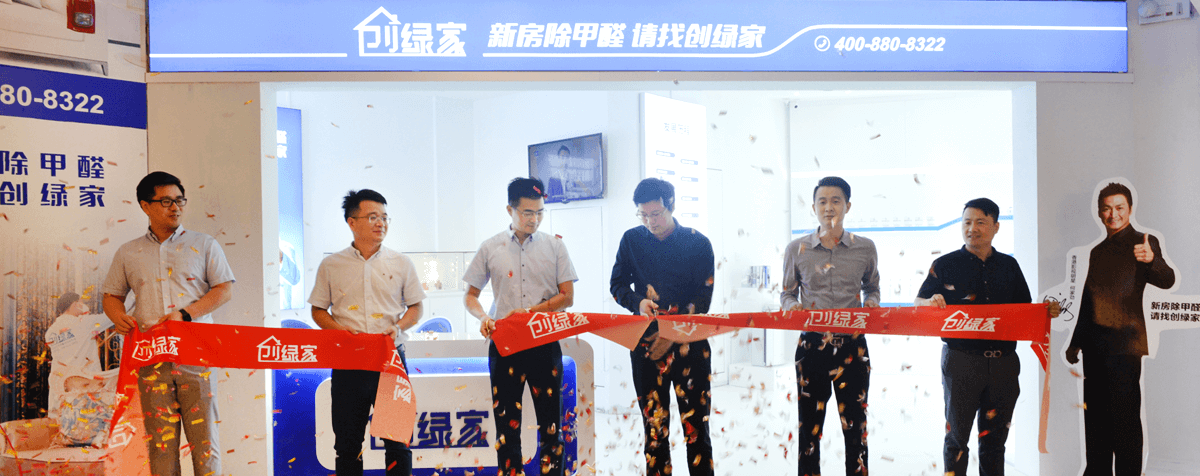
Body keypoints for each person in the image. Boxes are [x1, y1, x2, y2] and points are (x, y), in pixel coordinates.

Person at [102, 171, 235, 476]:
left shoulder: (204, 244)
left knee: (205, 441)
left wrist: (185, 314)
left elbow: (224, 289)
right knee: (161, 444)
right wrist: (117, 315)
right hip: (151, 355)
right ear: (145, 206)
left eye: (179, 200)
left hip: (197, 354)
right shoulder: (128, 251)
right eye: (166, 201)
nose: (175, 207)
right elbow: (111, 296)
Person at [916, 197, 1059, 476]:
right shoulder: (944, 264)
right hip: (961, 362)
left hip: (1004, 364)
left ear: (996, 226)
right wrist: (930, 302)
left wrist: (1046, 311)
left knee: (995, 442)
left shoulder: (1009, 266)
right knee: (957, 439)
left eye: (980, 222)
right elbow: (918, 303)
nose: (972, 229)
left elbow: (1024, 311)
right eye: (967, 222)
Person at [463, 177, 577, 476]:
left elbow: (567, 296)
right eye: (527, 212)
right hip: (505, 345)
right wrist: (483, 317)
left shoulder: (555, 247)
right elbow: (470, 296)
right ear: (510, 210)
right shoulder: (490, 247)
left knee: (551, 426)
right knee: (506, 427)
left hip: (543, 342)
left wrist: (531, 312)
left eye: (540, 212)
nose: (534, 219)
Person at [309, 189, 425, 476]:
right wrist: (339, 330)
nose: (381, 223)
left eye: (385, 217)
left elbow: (416, 307)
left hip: (390, 360)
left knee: (397, 441)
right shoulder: (331, 265)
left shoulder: (401, 263)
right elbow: (318, 310)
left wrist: (398, 327)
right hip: (349, 361)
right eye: (373, 217)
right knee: (347, 445)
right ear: (352, 222)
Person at [1066, 183, 1174, 476]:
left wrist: (1152, 260)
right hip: (1094, 349)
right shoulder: (1097, 251)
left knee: (1125, 422)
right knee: (1095, 421)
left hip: (1126, 348)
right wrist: (1075, 342)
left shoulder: (1143, 242)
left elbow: (1167, 280)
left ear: (1130, 209)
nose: (1113, 214)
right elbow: (1088, 300)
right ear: (1099, 212)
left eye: (1119, 207)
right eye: (1107, 208)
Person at [610, 177, 715, 476]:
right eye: (643, 215)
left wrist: (671, 334)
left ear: (672, 206)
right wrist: (638, 302)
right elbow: (617, 285)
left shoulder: (697, 243)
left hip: (690, 346)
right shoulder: (632, 240)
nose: (650, 222)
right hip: (646, 345)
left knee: (697, 431)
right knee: (654, 430)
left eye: (655, 214)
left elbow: (702, 299)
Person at [781, 176, 879, 476]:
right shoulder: (796, 248)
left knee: (856, 426)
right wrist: (791, 306)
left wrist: (872, 303)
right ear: (813, 208)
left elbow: (872, 287)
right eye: (822, 201)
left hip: (853, 347)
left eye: (836, 201)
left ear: (848, 206)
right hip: (812, 347)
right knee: (809, 428)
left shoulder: (865, 248)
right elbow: (787, 293)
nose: (828, 207)